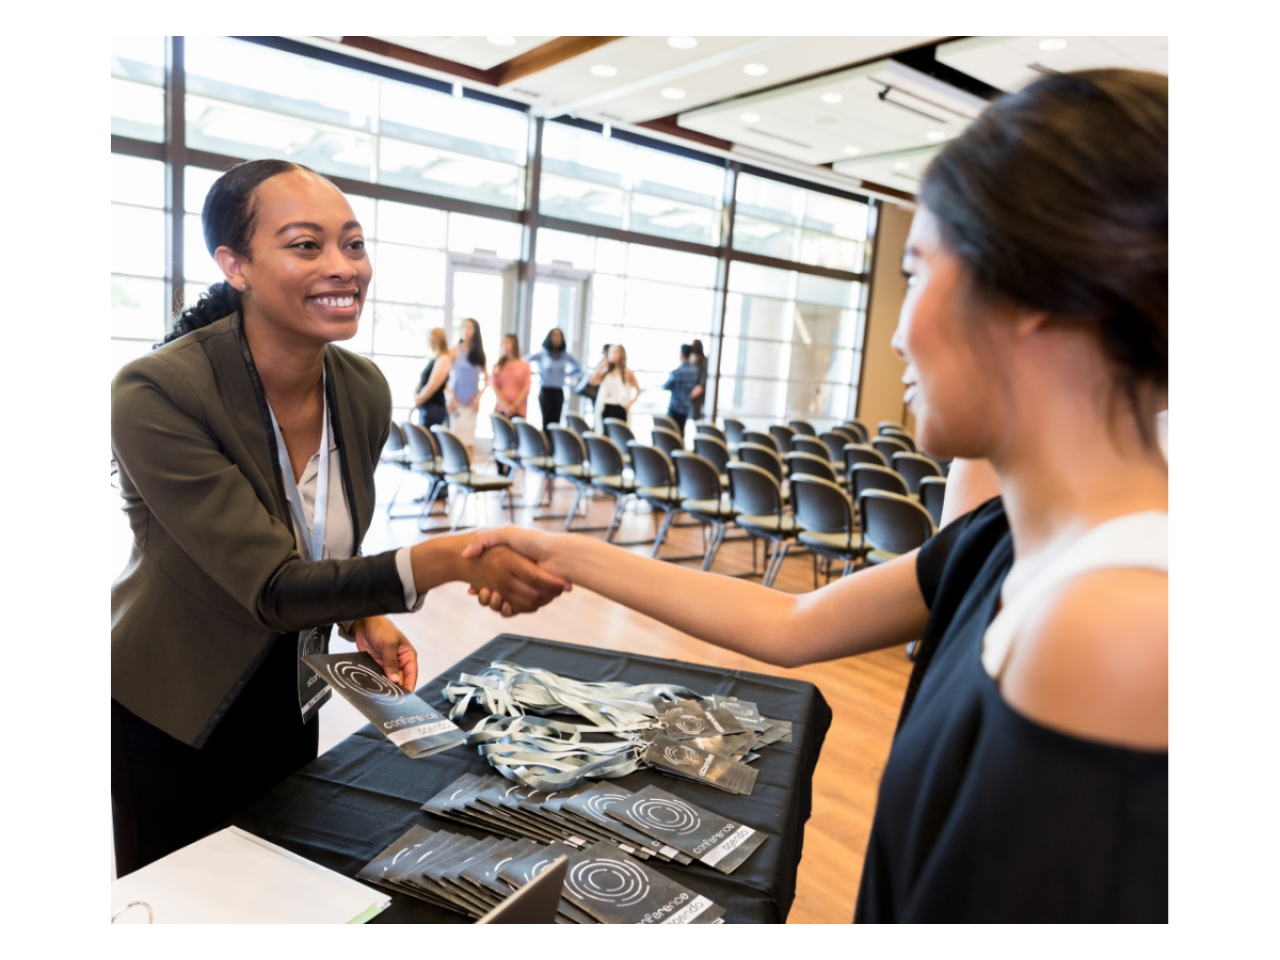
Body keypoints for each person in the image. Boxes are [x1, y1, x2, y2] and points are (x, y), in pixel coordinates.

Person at [463, 69, 1168, 921]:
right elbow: (791, 624)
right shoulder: (998, 540)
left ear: (1031, 295)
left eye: (916, 272)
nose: (900, 335)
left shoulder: (1119, 625)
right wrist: (563, 550)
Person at [110, 160, 568, 876]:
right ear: (236, 264)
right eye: (305, 245)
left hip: (292, 691)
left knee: (276, 883)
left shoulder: (360, 389)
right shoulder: (157, 391)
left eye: (352, 244)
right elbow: (270, 583)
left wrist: (361, 618)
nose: (341, 267)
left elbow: (317, 540)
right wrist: (445, 560)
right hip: (175, 704)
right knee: (178, 902)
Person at [446, 318, 486, 459]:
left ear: (475, 331)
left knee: (469, 441)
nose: (466, 330)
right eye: (464, 327)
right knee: (455, 440)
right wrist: (450, 397)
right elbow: (445, 378)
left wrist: (478, 399)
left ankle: (468, 471)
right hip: (456, 402)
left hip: (472, 403)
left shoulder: (480, 354)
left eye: (469, 327)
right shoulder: (454, 351)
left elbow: (486, 380)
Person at [524, 328, 581, 427]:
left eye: (559, 336)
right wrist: (533, 374)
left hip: (558, 392)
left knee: (555, 423)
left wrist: (566, 375)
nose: (557, 338)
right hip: (546, 391)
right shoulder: (543, 354)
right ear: (549, 338)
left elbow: (579, 368)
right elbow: (524, 361)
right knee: (546, 421)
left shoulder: (565, 356)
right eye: (554, 335)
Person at [589, 344, 641, 433]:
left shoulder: (627, 372)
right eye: (610, 352)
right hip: (606, 407)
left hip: (620, 407)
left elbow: (638, 390)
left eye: (615, 352)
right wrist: (602, 365)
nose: (612, 354)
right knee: (605, 434)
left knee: (619, 434)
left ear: (621, 355)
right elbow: (592, 382)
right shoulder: (605, 370)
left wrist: (630, 403)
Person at [413, 327, 451, 429]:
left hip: (434, 409)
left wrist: (419, 399)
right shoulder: (435, 358)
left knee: (428, 443)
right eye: (429, 341)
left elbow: (433, 385)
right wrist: (417, 395)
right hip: (426, 406)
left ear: (440, 341)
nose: (431, 344)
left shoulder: (444, 359)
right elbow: (422, 381)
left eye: (433, 341)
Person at [662, 344, 699, 437]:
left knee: (671, 433)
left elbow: (665, 386)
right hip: (686, 407)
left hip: (675, 406)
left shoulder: (676, 372)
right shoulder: (694, 371)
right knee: (681, 432)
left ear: (681, 354)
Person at [491, 334, 531, 420]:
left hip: (518, 411)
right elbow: (495, 387)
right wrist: (505, 406)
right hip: (501, 410)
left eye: (506, 342)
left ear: (514, 344)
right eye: (503, 343)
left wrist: (514, 406)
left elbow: (526, 387)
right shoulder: (498, 365)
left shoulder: (525, 365)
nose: (503, 345)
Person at [688, 338, 708, 422]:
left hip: (698, 396)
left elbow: (702, 382)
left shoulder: (703, 361)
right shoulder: (692, 360)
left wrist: (691, 395)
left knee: (696, 419)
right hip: (692, 394)